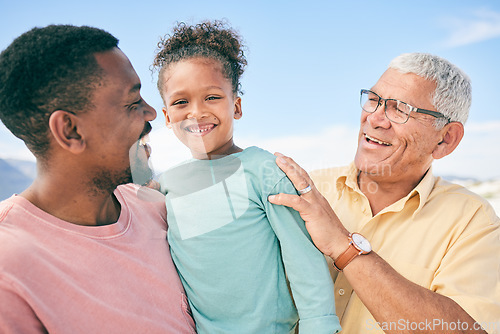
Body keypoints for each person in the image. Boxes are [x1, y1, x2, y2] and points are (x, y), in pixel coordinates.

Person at [269, 53, 500, 334]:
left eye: (400, 109)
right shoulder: (301, 191)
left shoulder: (473, 221)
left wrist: (344, 246)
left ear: (445, 138)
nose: (375, 119)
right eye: (374, 100)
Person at [0, 24, 195, 333]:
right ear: (70, 131)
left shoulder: (156, 209)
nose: (151, 113)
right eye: (132, 103)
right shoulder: (8, 268)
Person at [152, 21, 341, 334]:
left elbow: (303, 260)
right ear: (167, 116)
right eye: (181, 102)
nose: (196, 112)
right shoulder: (168, 184)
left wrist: (318, 327)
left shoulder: (263, 169)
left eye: (212, 97)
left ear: (236, 106)